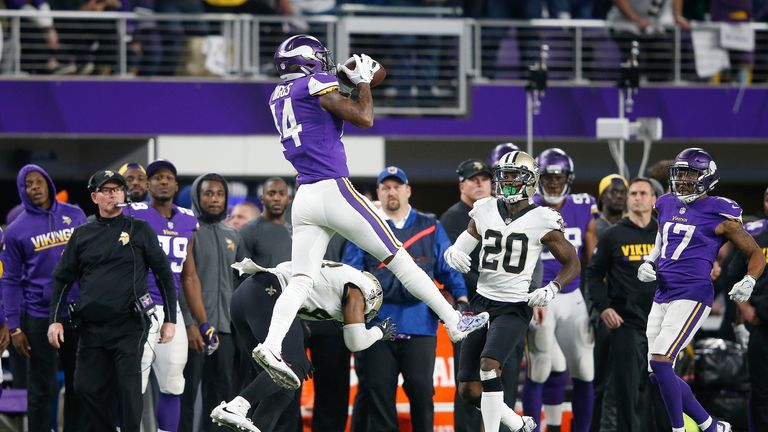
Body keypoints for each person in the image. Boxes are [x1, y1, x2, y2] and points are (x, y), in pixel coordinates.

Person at [253, 34, 488, 390]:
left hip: (304, 196)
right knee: (400, 258)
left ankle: (271, 345)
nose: (325, 61)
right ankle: (454, 322)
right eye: (319, 56)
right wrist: (362, 81)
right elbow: (364, 117)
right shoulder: (315, 81)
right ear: (306, 61)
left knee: (302, 280)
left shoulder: (278, 95)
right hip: (334, 188)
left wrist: (348, 77)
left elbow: (325, 98)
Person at [444, 150, 581, 432]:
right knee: (468, 390)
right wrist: (454, 252)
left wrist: (553, 287)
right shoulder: (484, 208)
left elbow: (572, 262)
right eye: (503, 175)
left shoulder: (542, 218)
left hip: (514, 306)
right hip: (481, 301)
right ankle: (517, 422)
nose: (506, 181)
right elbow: (467, 238)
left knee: (488, 365)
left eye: (513, 176)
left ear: (529, 181)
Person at [636, 148, 764, 432]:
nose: (682, 180)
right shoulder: (665, 203)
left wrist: (749, 280)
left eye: (689, 174)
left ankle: (680, 429)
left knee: (660, 361)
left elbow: (756, 254)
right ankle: (711, 425)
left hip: (692, 294)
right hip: (662, 293)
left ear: (706, 178)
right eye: (679, 173)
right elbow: (662, 238)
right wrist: (648, 261)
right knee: (657, 374)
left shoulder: (720, 212)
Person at [47, 170, 177, 432]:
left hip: (130, 326)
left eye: (117, 189)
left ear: (124, 194)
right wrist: (54, 321)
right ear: (95, 197)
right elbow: (62, 278)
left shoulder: (139, 229)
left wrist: (171, 320)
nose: (113, 194)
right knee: (84, 387)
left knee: (129, 389)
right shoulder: (82, 234)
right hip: (91, 326)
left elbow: (164, 273)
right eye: (106, 191)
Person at [343, 166, 469, 432]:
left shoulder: (430, 226)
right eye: (385, 187)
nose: (392, 192)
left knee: (422, 392)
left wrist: (461, 297)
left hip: (419, 323)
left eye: (397, 186)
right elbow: (350, 273)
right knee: (379, 393)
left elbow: (447, 267)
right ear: (378, 192)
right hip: (377, 325)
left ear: (408, 191)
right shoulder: (364, 228)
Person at [212, 259, 396, 432]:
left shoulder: (337, 282)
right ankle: (237, 406)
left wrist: (298, 354)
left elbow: (293, 308)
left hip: (249, 295)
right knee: (292, 366)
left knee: (283, 384)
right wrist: (379, 332)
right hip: (267, 292)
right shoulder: (360, 290)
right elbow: (355, 342)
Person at [124, 159, 215, 432]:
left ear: (176, 185)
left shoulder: (188, 220)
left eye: (168, 177)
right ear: (148, 184)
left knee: (174, 381)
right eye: (157, 177)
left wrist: (202, 321)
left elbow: (189, 276)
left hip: (170, 311)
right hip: (137, 309)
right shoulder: (133, 214)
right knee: (132, 385)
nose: (163, 181)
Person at [2, 164, 87, 432]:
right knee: (42, 389)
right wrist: (14, 326)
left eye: (38, 182)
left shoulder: (75, 215)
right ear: (22, 190)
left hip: (75, 313)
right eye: (28, 184)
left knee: (79, 385)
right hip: (38, 316)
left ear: (48, 183)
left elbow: (90, 263)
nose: (34, 187)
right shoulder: (16, 230)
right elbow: (10, 280)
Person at [524, 148, 597, 432]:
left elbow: (593, 255)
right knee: (541, 366)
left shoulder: (583, 205)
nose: (554, 183)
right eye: (549, 177)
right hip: (541, 297)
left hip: (573, 294)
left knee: (585, 368)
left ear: (569, 178)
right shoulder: (527, 207)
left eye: (559, 177)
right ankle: (534, 428)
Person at [586, 177, 658, 432]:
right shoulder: (613, 235)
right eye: (633, 193)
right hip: (625, 323)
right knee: (626, 392)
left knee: (658, 391)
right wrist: (604, 307)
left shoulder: (665, 234)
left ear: (653, 200)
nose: (637, 197)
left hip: (661, 325)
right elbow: (593, 274)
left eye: (642, 193)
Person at [179, 173, 245, 432]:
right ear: (198, 196)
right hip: (195, 330)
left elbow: (241, 284)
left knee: (222, 396)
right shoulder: (187, 230)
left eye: (219, 193)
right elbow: (180, 281)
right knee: (187, 393)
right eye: (208, 193)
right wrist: (188, 321)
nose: (214, 198)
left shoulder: (234, 234)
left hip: (227, 330)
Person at [590, 173, 628, 430]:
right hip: (602, 309)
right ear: (601, 196)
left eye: (622, 191)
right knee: (602, 378)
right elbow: (595, 271)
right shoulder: (596, 226)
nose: (618, 195)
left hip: (627, 310)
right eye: (612, 191)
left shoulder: (631, 226)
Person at [727, 216, 768, 431]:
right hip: (762, 325)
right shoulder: (755, 234)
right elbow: (733, 275)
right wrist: (745, 310)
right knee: (761, 393)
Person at [240, 177, 292, 267]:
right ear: (262, 199)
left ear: (288, 199)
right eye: (271, 194)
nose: (276, 198)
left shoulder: (294, 231)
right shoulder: (249, 230)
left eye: (281, 194)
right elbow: (240, 272)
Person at [595, 174, 628, 240]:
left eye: (623, 192)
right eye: (614, 192)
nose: (619, 196)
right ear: (602, 197)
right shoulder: (594, 228)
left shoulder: (631, 227)